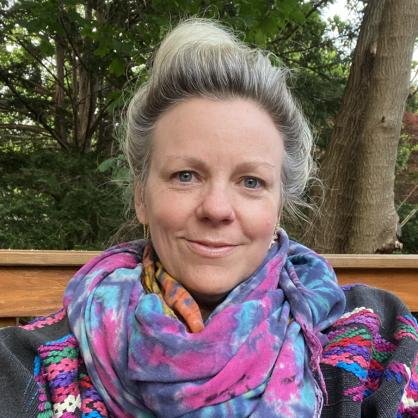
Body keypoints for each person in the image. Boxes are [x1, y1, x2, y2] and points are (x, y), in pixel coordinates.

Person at [0, 18, 417, 418]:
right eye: (186, 175)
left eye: (251, 181)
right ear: (141, 197)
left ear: (278, 207)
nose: (217, 209)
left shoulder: (376, 337)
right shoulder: (35, 365)